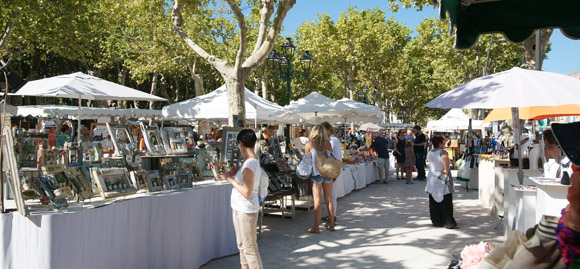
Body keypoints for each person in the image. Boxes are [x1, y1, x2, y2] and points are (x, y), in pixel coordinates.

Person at [217, 129, 263, 269]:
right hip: (240, 209)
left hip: (246, 210)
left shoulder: (249, 164)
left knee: (249, 248)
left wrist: (230, 179)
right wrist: (235, 175)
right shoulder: (249, 163)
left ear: (240, 143)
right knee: (242, 245)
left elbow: (247, 192)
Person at [304, 125, 335, 233]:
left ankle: (316, 227)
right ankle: (331, 225)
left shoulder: (309, 144)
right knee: (329, 200)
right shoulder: (328, 144)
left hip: (316, 174)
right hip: (327, 173)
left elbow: (306, 161)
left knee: (317, 201)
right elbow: (332, 157)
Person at [425, 135, 458, 229]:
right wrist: (446, 170)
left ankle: (436, 220)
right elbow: (445, 162)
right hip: (442, 176)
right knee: (446, 199)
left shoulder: (430, 152)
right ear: (440, 144)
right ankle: (448, 221)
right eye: (443, 142)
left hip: (432, 176)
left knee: (434, 200)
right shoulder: (443, 152)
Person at [320, 122, 341, 225]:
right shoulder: (333, 140)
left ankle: (332, 217)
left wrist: (334, 172)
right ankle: (331, 215)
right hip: (332, 169)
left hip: (332, 170)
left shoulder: (332, 141)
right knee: (331, 195)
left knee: (331, 195)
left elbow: (335, 157)